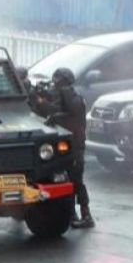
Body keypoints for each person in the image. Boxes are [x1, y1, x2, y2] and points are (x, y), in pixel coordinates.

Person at [46, 67, 94, 229]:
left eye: (58, 83)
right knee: (69, 181)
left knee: (76, 182)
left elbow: (67, 115)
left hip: (75, 148)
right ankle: (73, 214)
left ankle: (86, 215)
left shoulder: (74, 100)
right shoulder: (67, 100)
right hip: (68, 148)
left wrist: (53, 114)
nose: (56, 86)